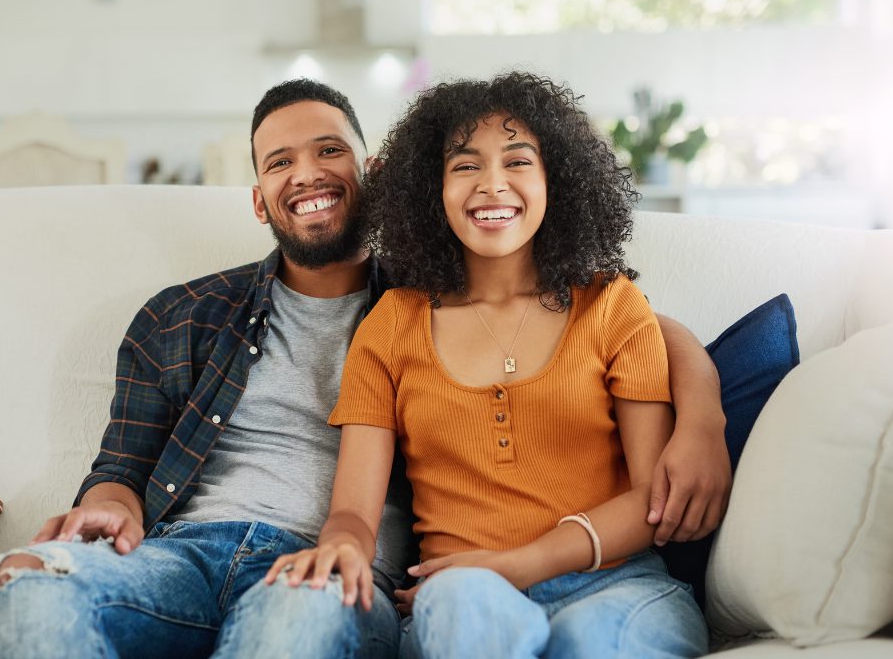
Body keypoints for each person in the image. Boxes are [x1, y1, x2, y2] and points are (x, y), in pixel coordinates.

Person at [0, 78, 727, 659]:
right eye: (280, 162)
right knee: (26, 579)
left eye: (328, 150)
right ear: (257, 199)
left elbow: (640, 330)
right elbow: (121, 465)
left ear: (376, 175)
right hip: (186, 557)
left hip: (334, 575)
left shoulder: (427, 296)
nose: (306, 173)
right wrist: (110, 503)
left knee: (302, 620)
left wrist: (703, 416)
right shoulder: (186, 317)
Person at [266, 72, 712, 658]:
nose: (492, 185)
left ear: (558, 181)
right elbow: (352, 509)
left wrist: (517, 566)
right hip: (462, 590)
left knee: (592, 641)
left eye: (518, 161)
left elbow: (651, 499)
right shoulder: (393, 323)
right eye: (465, 165)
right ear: (433, 190)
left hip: (619, 583)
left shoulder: (610, 305)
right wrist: (342, 544)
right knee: (463, 607)